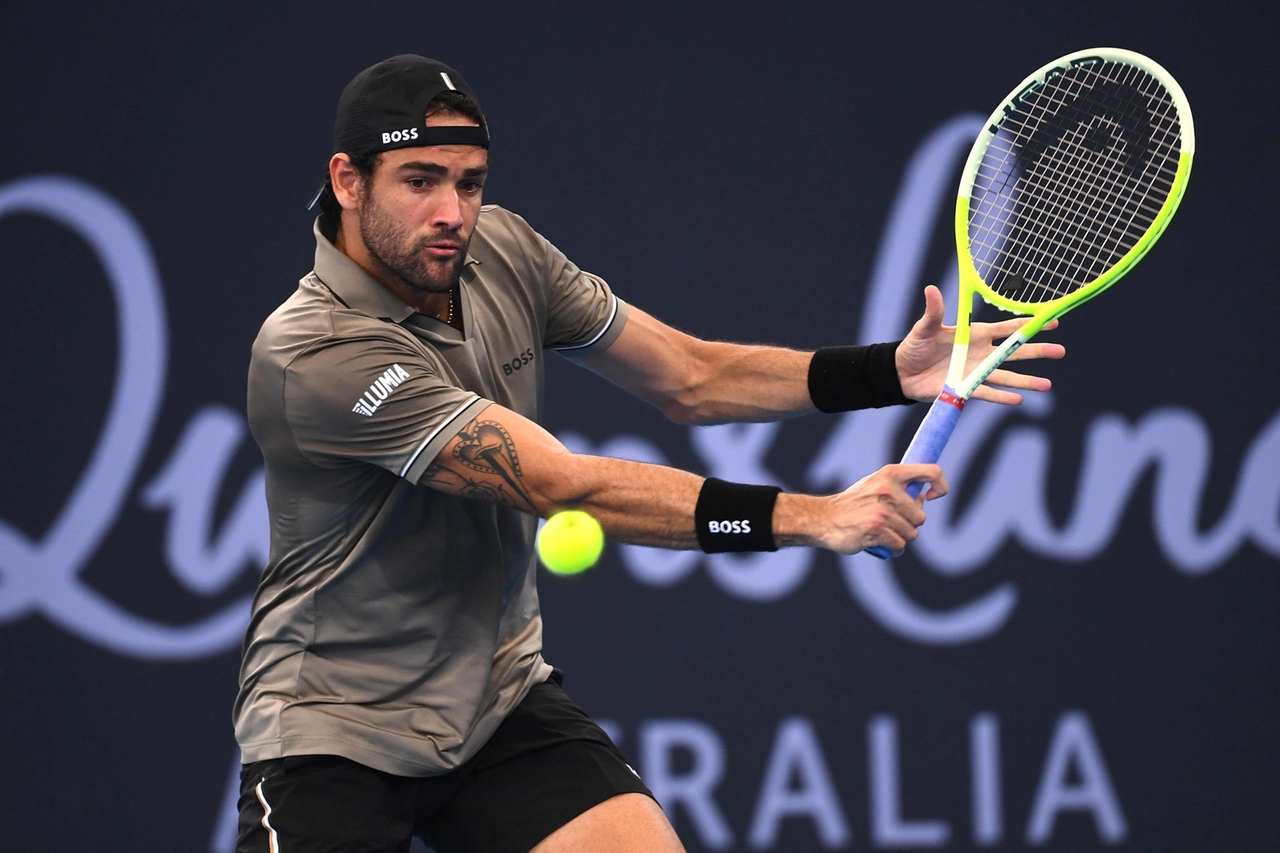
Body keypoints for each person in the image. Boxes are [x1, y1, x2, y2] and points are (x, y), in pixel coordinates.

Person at [233, 55, 1063, 853]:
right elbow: (568, 486)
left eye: (471, 182)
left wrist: (889, 370)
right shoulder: (316, 354)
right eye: (421, 182)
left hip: (494, 702)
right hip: (334, 728)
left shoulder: (505, 253)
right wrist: (818, 517)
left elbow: (690, 376)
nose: (453, 211)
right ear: (348, 182)